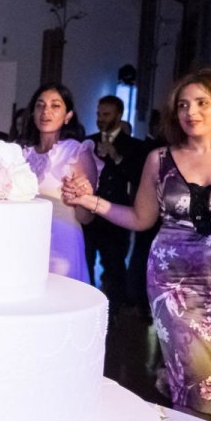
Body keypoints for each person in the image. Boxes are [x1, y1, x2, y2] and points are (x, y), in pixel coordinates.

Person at [64, 68, 211, 421]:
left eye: (201, 103)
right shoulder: (159, 159)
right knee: (191, 377)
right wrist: (91, 200)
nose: (191, 112)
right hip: (174, 287)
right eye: (183, 105)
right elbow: (140, 218)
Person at [20, 83, 99, 283]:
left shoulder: (76, 152)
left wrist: (79, 199)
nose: (46, 111)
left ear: (68, 116)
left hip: (61, 244)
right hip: (24, 242)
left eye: (55, 106)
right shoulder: (22, 154)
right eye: (40, 105)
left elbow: (86, 218)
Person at [83, 95, 145, 306]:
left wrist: (117, 157)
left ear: (119, 115)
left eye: (106, 114)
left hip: (117, 216)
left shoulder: (134, 146)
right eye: (98, 114)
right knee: (86, 262)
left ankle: (114, 313)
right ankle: (87, 307)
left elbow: (137, 177)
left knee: (115, 266)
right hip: (89, 215)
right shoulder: (88, 142)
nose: (101, 118)